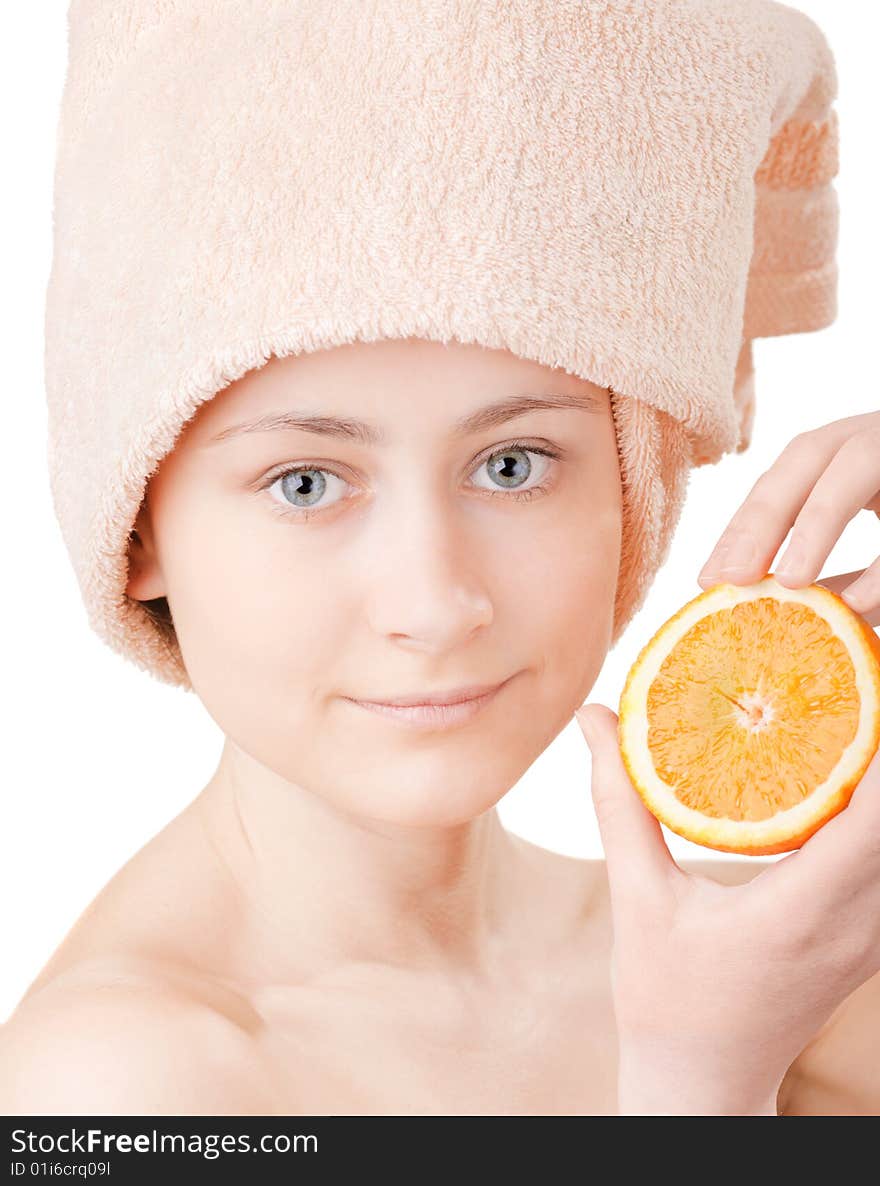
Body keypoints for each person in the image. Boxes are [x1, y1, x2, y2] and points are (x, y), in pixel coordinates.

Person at [2, 334, 879, 1115]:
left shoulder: (771, 961)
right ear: (137, 529)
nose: (436, 607)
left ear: (633, 482)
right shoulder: (111, 1085)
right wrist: (703, 1089)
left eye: (513, 465)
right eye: (304, 484)